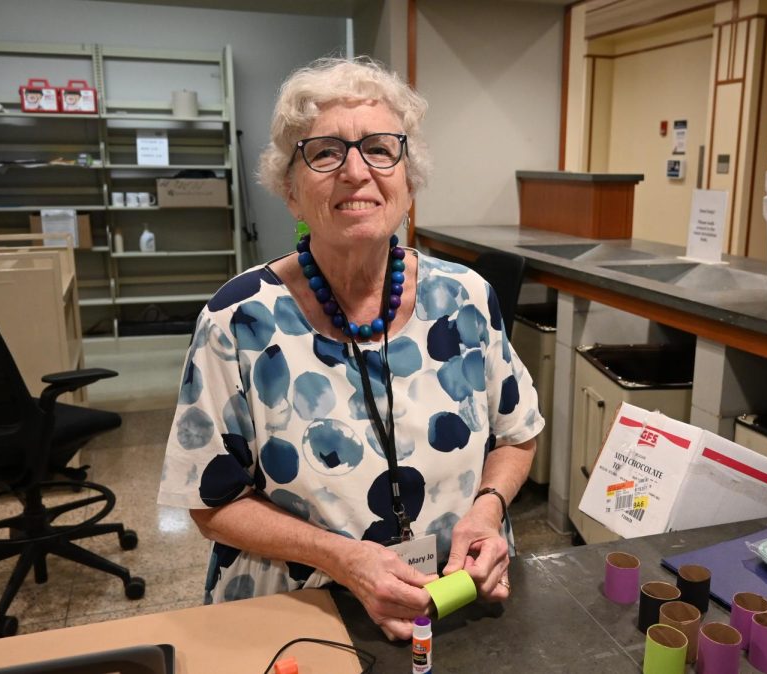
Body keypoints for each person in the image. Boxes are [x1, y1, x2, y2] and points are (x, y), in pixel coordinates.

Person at [156, 57, 543, 640]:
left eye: (381, 149)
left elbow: (518, 431)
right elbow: (210, 501)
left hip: (454, 599)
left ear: (408, 181)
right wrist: (342, 557)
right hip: (301, 614)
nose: (356, 171)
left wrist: (488, 509)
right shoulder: (237, 320)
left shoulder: (466, 297)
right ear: (289, 190)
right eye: (326, 152)